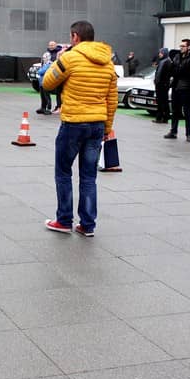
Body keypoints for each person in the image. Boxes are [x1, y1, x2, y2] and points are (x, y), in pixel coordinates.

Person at [42, 20, 117, 237]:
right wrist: (107, 127)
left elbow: (47, 83)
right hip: (97, 125)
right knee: (89, 176)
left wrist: (59, 60)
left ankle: (64, 220)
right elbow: (112, 100)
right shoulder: (108, 63)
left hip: (73, 123)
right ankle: (87, 224)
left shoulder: (70, 58)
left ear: (75, 37)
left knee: (63, 172)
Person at [163, 39, 190, 141]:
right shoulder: (177, 57)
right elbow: (172, 70)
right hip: (176, 86)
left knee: (186, 112)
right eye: (180, 46)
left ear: (189, 47)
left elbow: (187, 73)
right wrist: (176, 71)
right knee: (175, 111)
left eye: (183, 46)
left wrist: (177, 70)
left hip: (186, 87)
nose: (181, 48)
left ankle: (188, 134)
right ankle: (173, 131)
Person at [151, 47, 172, 124]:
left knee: (163, 101)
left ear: (164, 53)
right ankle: (161, 117)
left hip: (163, 85)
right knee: (160, 101)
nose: (159, 54)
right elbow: (158, 73)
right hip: (160, 84)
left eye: (161, 53)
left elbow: (167, 74)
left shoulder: (167, 61)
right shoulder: (162, 61)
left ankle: (163, 118)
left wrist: (164, 83)